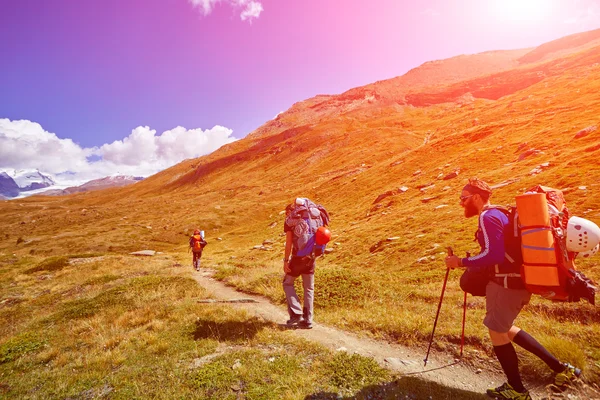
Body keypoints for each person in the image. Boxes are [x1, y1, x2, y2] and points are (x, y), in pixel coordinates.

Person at [445, 178, 581, 400]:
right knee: (506, 328)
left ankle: (517, 390)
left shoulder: (488, 217)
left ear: (477, 198)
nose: (461, 203)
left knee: (497, 332)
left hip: (505, 284)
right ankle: (562, 369)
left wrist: (459, 262)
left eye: (464, 198)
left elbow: (494, 255)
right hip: (518, 282)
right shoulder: (500, 213)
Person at [282, 198, 330, 329]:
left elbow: (289, 243)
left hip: (298, 258)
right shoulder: (314, 218)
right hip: (311, 258)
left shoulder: (292, 220)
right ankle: (308, 320)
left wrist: (286, 261)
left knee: (287, 283)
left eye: (287, 212)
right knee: (309, 288)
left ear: (290, 211)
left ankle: (296, 314)